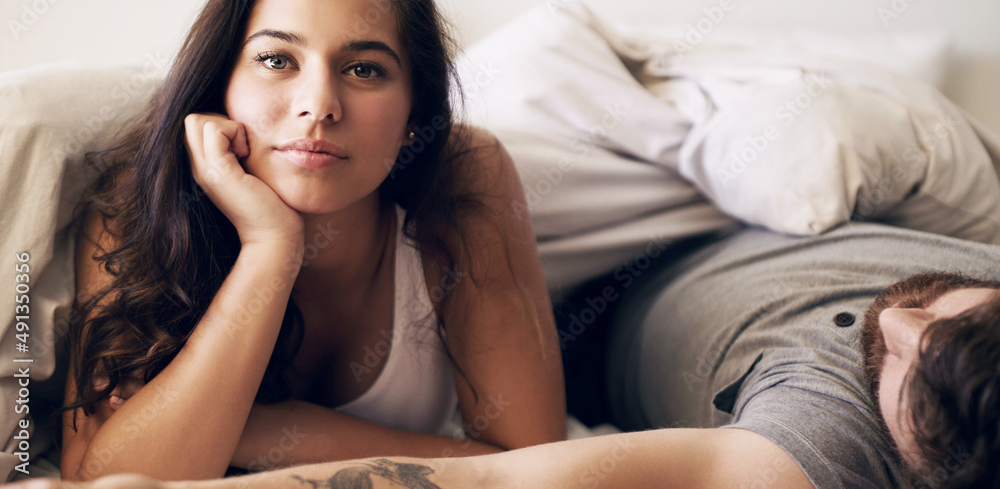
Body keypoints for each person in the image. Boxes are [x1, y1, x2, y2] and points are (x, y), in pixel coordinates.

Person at [22, 222, 998, 489]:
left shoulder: (831, 435)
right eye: (953, 317)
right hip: (790, 214)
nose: (897, 322)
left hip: (604, 297)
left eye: (905, 368)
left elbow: (518, 480)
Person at [57, 0, 564, 482]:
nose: (319, 105)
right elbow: (98, 478)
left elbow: (538, 464)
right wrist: (270, 247)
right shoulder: (138, 196)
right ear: (220, 84)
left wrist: (266, 431)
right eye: (277, 60)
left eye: (364, 69)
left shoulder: (466, 176)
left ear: (415, 114)